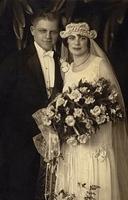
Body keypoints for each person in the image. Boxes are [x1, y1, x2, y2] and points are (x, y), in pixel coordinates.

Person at [33, 20, 128, 200]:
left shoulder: (99, 64)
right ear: (66, 42)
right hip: (73, 140)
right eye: (72, 38)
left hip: (97, 137)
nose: (77, 42)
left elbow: (114, 103)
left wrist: (91, 116)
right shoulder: (67, 70)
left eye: (82, 38)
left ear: (88, 41)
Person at [0, 10, 63, 200]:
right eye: (43, 31)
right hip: (19, 144)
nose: (48, 36)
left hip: (55, 145)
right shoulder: (14, 61)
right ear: (33, 31)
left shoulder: (64, 62)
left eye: (53, 31)